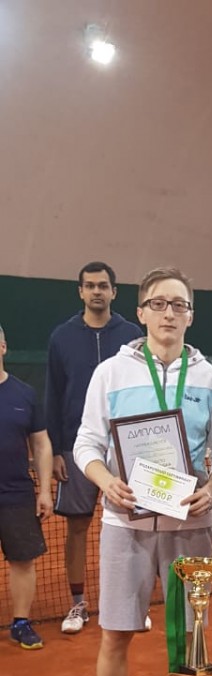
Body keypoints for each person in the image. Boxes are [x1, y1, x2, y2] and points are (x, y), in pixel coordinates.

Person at [74, 267, 212, 676]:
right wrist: (105, 482)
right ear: (140, 312)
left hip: (191, 524)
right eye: (159, 304)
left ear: (191, 315)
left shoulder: (210, 380)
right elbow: (86, 443)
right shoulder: (111, 374)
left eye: (179, 305)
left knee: (190, 634)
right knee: (116, 634)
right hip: (125, 524)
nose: (169, 313)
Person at [45, 262, 142, 634]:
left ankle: (133, 603)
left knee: (133, 523)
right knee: (77, 526)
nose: (97, 291)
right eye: (90, 286)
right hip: (77, 448)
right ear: (81, 292)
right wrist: (56, 449)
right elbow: (54, 394)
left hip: (128, 446)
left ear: (114, 291)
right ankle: (78, 604)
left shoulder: (133, 334)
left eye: (103, 285)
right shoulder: (61, 337)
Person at [0, 324, 53, 649]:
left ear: (3, 348)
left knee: (23, 560)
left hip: (16, 494)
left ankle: (21, 623)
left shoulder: (24, 394)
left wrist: (44, 489)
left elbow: (41, 443)